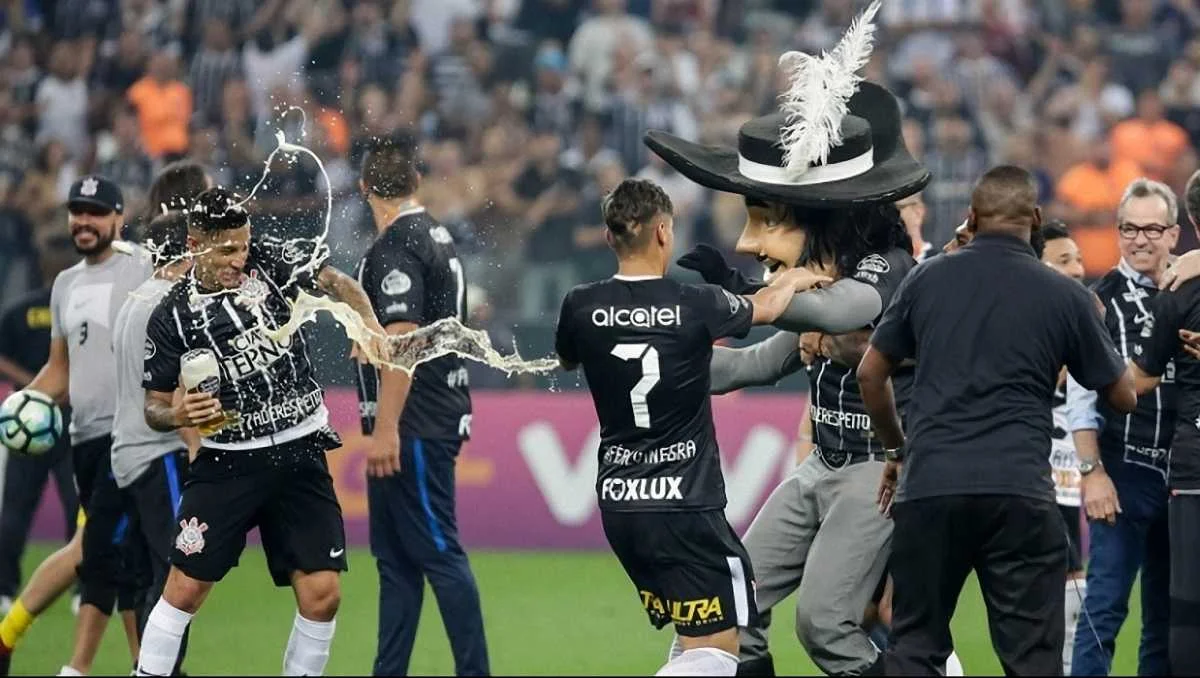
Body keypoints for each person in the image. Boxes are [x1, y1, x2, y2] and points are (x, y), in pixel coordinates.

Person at [642, 8, 944, 671]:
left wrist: (743, 297)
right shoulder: (803, 285)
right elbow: (749, 367)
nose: (751, 243)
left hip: (878, 472)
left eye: (773, 221)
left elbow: (844, 311)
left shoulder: (888, 267)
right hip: (821, 466)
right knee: (733, 607)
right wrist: (651, 361)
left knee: (824, 625)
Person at [860, 165, 1137, 675]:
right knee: (1032, 659)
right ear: (1036, 218)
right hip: (1019, 491)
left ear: (971, 217)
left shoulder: (927, 278)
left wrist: (896, 450)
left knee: (915, 648)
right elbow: (1123, 396)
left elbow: (870, 374)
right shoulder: (1066, 296)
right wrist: (1091, 329)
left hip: (932, 485)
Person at [555, 177, 821, 677]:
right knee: (719, 654)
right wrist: (797, 278)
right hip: (684, 504)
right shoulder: (696, 303)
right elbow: (768, 308)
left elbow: (569, 359)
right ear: (663, 232)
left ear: (610, 237)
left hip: (620, 502)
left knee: (697, 641)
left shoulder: (579, 304)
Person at [134, 186, 386, 677]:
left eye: (244, 245)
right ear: (195, 245)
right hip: (228, 461)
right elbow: (153, 407)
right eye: (226, 249)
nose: (239, 258)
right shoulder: (172, 317)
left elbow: (338, 283)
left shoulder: (270, 260)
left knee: (323, 595)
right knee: (184, 589)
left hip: (301, 451)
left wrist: (369, 327)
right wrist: (180, 415)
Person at [353, 136, 488, 676]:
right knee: (396, 562)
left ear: (364, 188)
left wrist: (386, 427)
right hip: (426, 413)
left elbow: (404, 340)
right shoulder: (437, 234)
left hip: (415, 421)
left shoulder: (397, 244)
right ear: (415, 182)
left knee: (437, 551)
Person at [12, 175, 152, 677]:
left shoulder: (141, 266)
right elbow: (60, 370)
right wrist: (21, 406)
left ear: (119, 218)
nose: (84, 221)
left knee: (109, 550)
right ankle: (138, 666)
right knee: (112, 553)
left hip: (134, 435)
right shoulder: (65, 285)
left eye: (95, 212)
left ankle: (82, 665)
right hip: (86, 441)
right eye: (77, 211)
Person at [1065, 179, 1177, 677]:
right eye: (1129, 228)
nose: (1139, 240)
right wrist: (1092, 474)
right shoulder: (1099, 300)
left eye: (1151, 229)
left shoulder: (1190, 289)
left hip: (1183, 477)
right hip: (1123, 472)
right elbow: (1081, 398)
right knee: (1104, 609)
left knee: (1168, 618)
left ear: (1173, 233)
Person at [111, 210, 199, 676]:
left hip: (126, 453)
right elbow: (177, 388)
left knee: (149, 574)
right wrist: (197, 448)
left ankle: (150, 669)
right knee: (178, 574)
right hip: (159, 451)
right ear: (190, 249)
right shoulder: (171, 303)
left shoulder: (135, 299)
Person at [1123, 168, 1200, 675]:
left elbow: (1139, 381)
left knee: (1189, 609)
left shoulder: (1179, 290)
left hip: (1193, 467)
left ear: (1190, 220)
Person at [0, 240, 81, 613]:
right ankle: (83, 589)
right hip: (65, 415)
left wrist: (29, 384)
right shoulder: (82, 309)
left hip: (29, 417)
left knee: (17, 507)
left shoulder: (21, 309)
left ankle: (5, 590)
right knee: (76, 506)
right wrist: (52, 381)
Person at [1034, 220, 1090, 674]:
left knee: (1073, 579)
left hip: (1067, 475)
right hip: (1025, 476)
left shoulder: (1089, 317)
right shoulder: (1022, 325)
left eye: (1079, 259)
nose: (1077, 269)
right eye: (1064, 260)